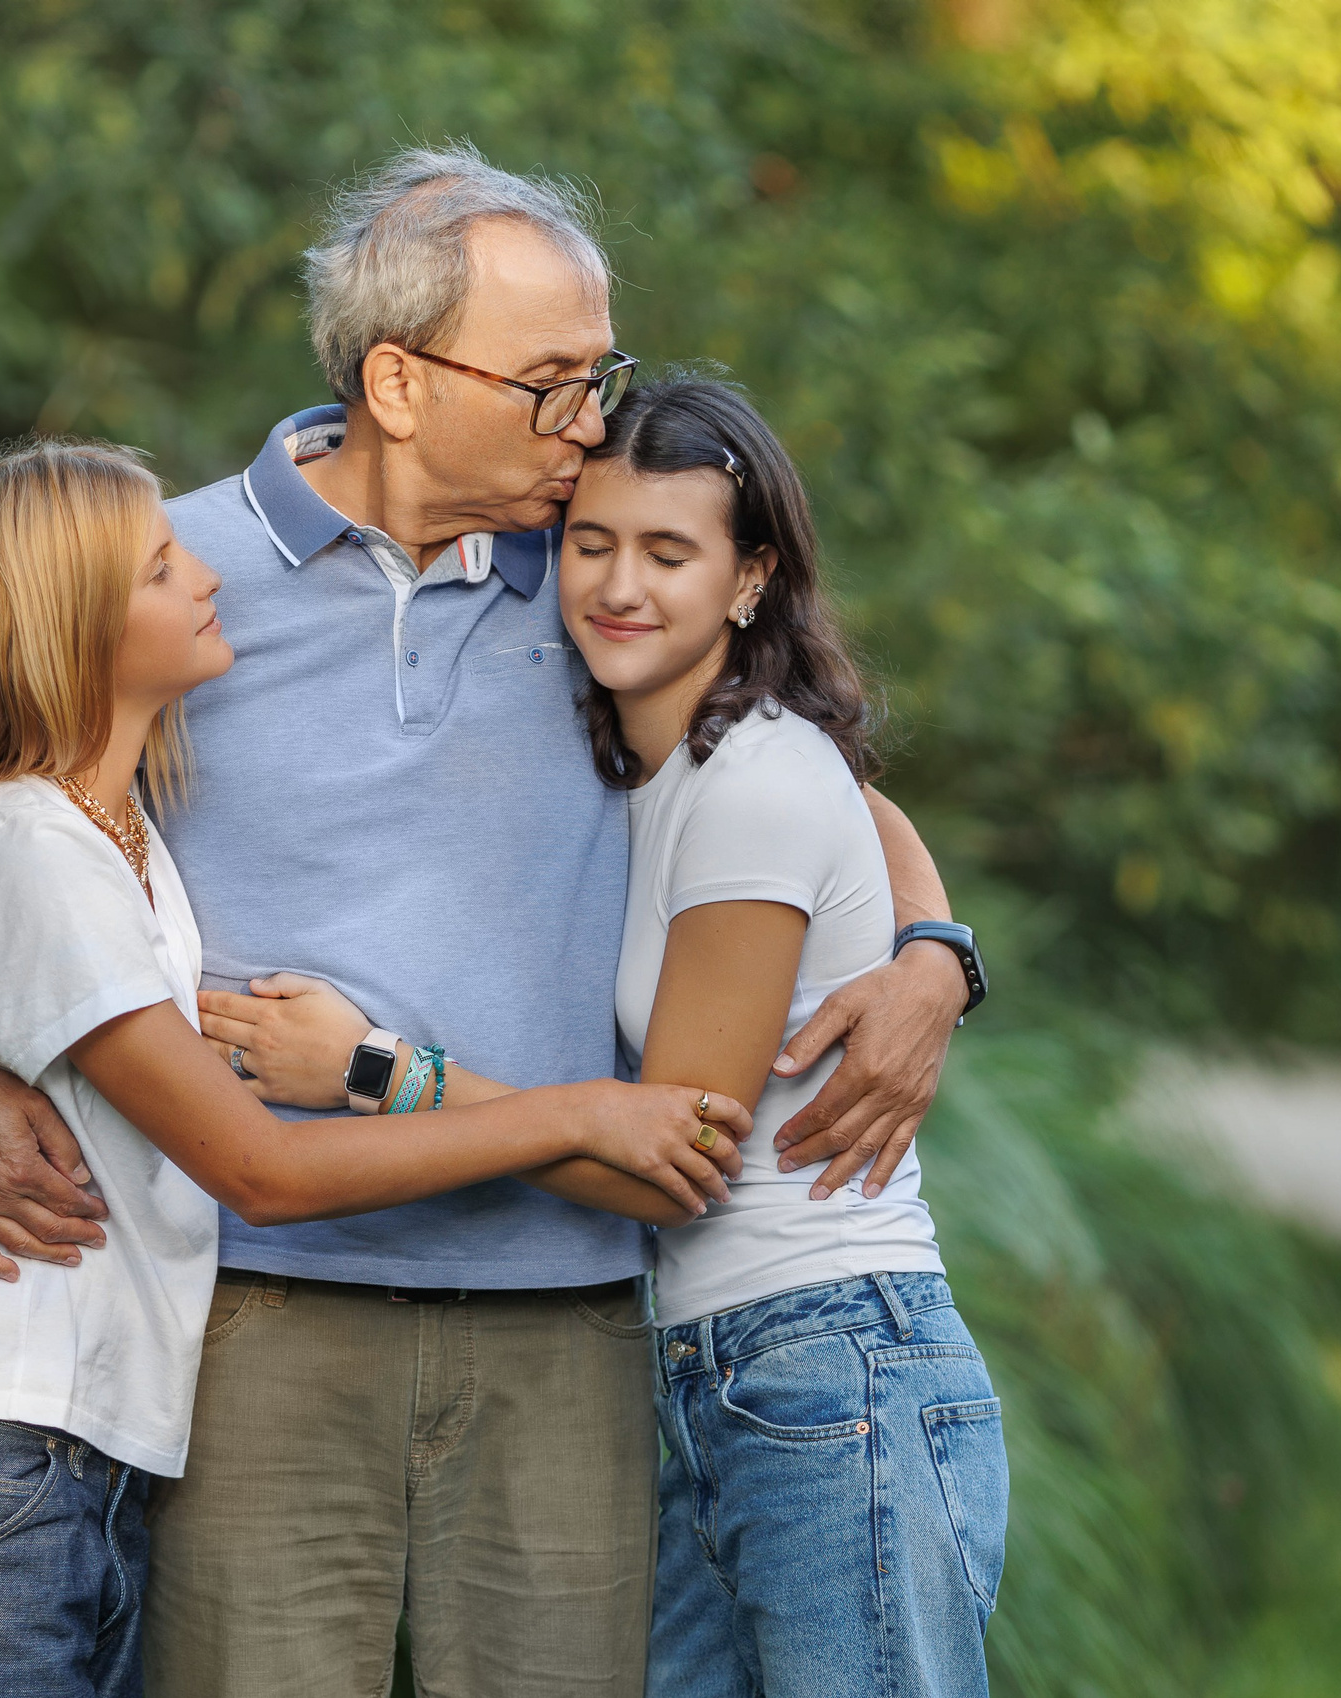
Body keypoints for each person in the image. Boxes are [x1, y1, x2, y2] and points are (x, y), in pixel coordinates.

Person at [0, 145, 982, 1698]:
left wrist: (934, 953)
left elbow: (805, 767)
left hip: (567, 1321)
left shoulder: (597, 569)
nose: (596, 423)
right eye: (553, 381)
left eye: (598, 376)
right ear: (403, 384)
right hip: (263, 1328)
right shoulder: (168, 580)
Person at [0, 437, 752, 1698]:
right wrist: (575, 1109)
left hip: (75, 1456)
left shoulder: (115, 832)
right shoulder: (29, 845)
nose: (207, 575)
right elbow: (259, 1168)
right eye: (163, 569)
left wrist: (930, 944)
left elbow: (782, 738)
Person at [218, 377, 1007, 1697]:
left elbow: (670, 1160)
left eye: (669, 553)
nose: (617, 585)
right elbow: (861, 812)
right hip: (720, 1369)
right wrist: (937, 942)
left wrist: (378, 1070)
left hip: (827, 1365)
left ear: (751, 576)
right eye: (592, 543)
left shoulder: (749, 776)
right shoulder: (669, 751)